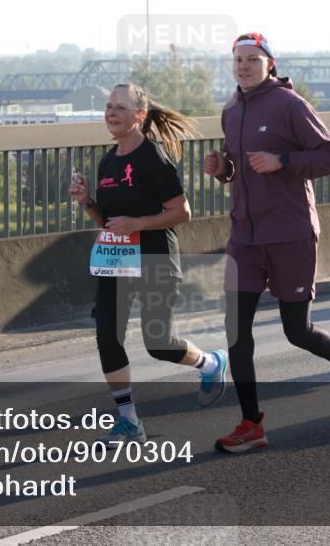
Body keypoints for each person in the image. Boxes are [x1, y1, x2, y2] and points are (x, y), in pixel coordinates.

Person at [202, 33, 330, 454]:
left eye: (252, 59)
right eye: (238, 60)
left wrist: (284, 161)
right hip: (245, 237)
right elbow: (241, 171)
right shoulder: (231, 110)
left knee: (297, 331)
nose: (243, 66)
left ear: (270, 64)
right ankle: (251, 424)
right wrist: (223, 169)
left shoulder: (290, 105)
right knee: (237, 332)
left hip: (290, 233)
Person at [69, 83, 228, 448]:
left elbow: (182, 212)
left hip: (155, 259)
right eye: (108, 107)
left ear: (140, 116)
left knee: (159, 344)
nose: (111, 113)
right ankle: (128, 422)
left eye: (120, 108)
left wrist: (137, 224)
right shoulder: (108, 160)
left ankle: (211, 363)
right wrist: (87, 200)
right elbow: (108, 219)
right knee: (107, 338)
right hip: (117, 261)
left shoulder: (152, 158)